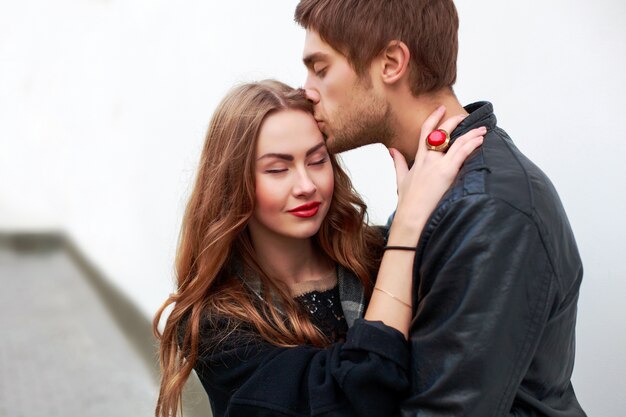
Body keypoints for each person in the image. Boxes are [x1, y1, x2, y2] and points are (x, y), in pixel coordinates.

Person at [294, 1, 586, 416]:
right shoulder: (437, 189)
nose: (307, 89)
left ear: (392, 62)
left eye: (320, 68)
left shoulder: (488, 209)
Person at [152, 80, 485, 417]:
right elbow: (352, 398)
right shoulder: (217, 325)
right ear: (233, 183)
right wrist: (408, 226)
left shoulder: (376, 257)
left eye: (317, 160)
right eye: (278, 169)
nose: (306, 186)